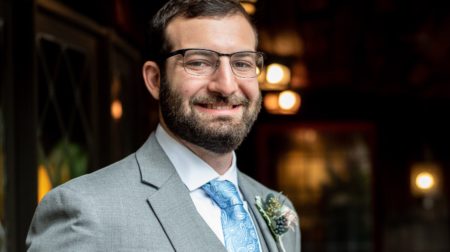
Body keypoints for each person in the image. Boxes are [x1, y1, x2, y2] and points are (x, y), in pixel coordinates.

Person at [26, 0, 301, 251]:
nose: (226, 85)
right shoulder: (85, 213)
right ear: (155, 80)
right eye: (199, 62)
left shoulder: (279, 211)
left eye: (242, 63)